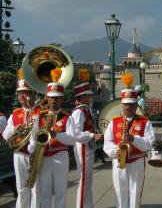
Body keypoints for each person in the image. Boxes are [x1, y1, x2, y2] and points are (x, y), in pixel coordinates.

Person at [103, 72, 155, 208]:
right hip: (119, 162)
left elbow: (149, 143)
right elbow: (107, 143)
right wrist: (116, 151)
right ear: (122, 104)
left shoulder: (144, 122)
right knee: (120, 195)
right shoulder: (114, 122)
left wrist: (134, 139)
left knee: (135, 195)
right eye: (125, 104)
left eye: (131, 104)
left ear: (136, 104)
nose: (128, 107)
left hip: (137, 162)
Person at [28, 68, 75, 208]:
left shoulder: (68, 117)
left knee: (61, 192)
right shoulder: (40, 116)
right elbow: (33, 135)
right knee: (45, 193)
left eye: (56, 97)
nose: (53, 100)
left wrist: (55, 134)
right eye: (51, 97)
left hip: (61, 156)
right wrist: (32, 148)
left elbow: (72, 139)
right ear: (47, 98)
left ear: (62, 99)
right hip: (43, 156)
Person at [2, 73, 41, 208]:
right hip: (19, 153)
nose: (21, 96)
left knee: (36, 189)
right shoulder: (15, 113)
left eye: (25, 93)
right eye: (19, 93)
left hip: (35, 154)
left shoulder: (40, 112)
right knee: (21, 188)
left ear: (32, 93)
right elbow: (6, 135)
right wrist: (14, 130)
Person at [72, 69, 103, 208]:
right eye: (89, 96)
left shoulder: (85, 110)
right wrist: (92, 135)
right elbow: (76, 134)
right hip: (83, 147)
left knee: (88, 181)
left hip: (87, 147)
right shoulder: (79, 112)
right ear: (83, 96)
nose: (91, 98)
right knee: (84, 181)